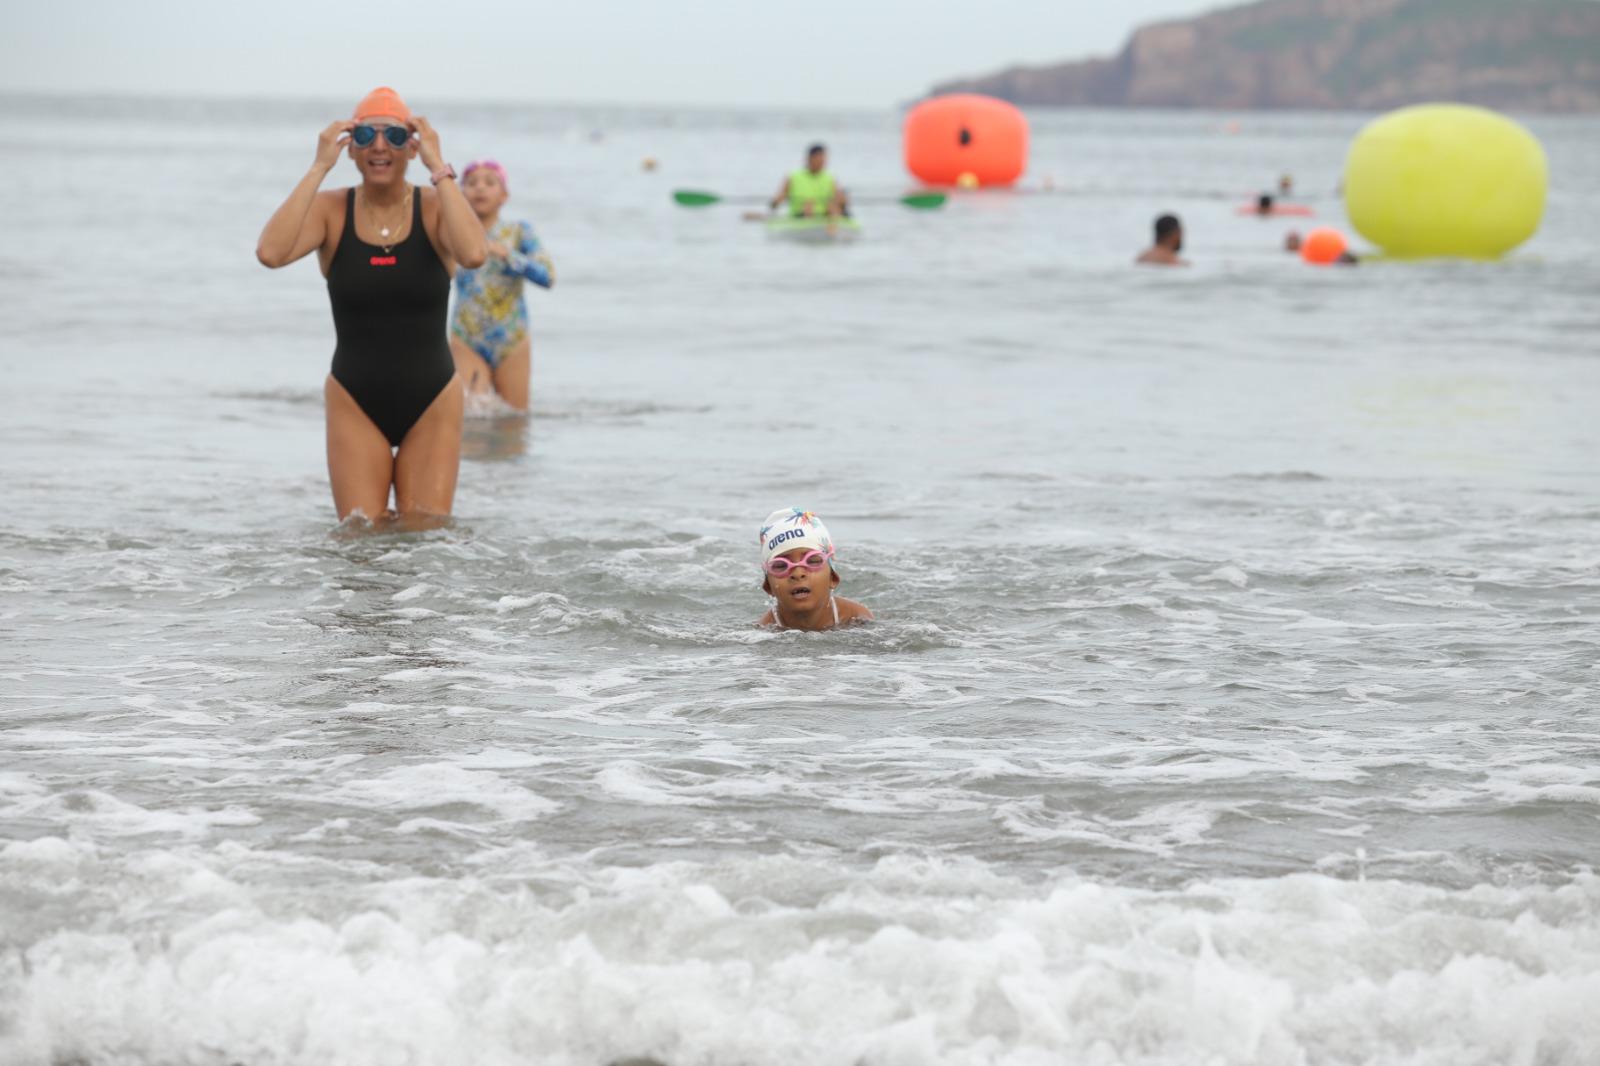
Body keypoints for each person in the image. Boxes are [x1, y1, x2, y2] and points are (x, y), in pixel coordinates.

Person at [255, 87, 487, 524]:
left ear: (412, 147)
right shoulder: (331, 210)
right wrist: (318, 166)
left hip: (432, 397)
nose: (380, 147)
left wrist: (439, 166)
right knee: (359, 541)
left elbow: (474, 254)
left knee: (425, 541)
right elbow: (271, 252)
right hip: (353, 398)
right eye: (365, 136)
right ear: (350, 148)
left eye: (396, 137)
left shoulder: (438, 206)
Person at [449, 159, 554, 411]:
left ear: (504, 195)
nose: (480, 189)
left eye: (489, 183)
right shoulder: (452, 232)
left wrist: (506, 254)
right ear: (461, 195)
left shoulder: (519, 232)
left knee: (514, 422)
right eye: (471, 183)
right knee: (471, 418)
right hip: (466, 337)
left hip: (512, 339)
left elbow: (547, 276)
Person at [756, 508, 872, 631]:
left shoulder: (856, 618)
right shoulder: (764, 631)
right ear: (768, 587)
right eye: (781, 565)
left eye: (812, 561)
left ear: (832, 578)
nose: (798, 573)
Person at [770, 144, 849, 219]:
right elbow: (776, 201)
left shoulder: (830, 178)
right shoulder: (793, 177)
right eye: (819, 159)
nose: (822, 162)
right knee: (808, 207)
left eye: (824, 159)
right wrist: (776, 201)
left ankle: (833, 225)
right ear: (809, 158)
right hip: (802, 215)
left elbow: (841, 202)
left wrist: (842, 201)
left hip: (825, 216)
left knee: (833, 207)